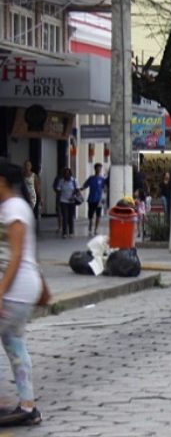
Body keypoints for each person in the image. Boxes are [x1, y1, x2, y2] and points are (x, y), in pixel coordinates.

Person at [0, 163, 44, 426]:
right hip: (20, 287)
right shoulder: (10, 208)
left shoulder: (14, 208)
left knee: (14, 343)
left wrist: (2, 291)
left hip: (15, 289)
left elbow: (16, 254)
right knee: (15, 344)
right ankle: (28, 406)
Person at [82, 163, 106, 236]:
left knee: (98, 215)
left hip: (99, 200)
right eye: (97, 168)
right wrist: (79, 189)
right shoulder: (91, 178)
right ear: (95, 169)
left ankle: (96, 229)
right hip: (91, 199)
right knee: (91, 215)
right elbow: (85, 185)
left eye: (100, 169)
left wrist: (104, 198)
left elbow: (104, 189)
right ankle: (90, 226)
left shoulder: (102, 179)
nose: (99, 170)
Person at [55, 168, 78, 239]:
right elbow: (58, 190)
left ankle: (71, 232)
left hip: (72, 201)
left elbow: (77, 189)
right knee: (64, 217)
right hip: (63, 201)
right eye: (65, 173)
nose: (66, 175)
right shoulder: (61, 181)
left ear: (70, 174)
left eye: (68, 173)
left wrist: (73, 196)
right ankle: (64, 232)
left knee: (71, 217)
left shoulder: (74, 180)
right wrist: (58, 201)